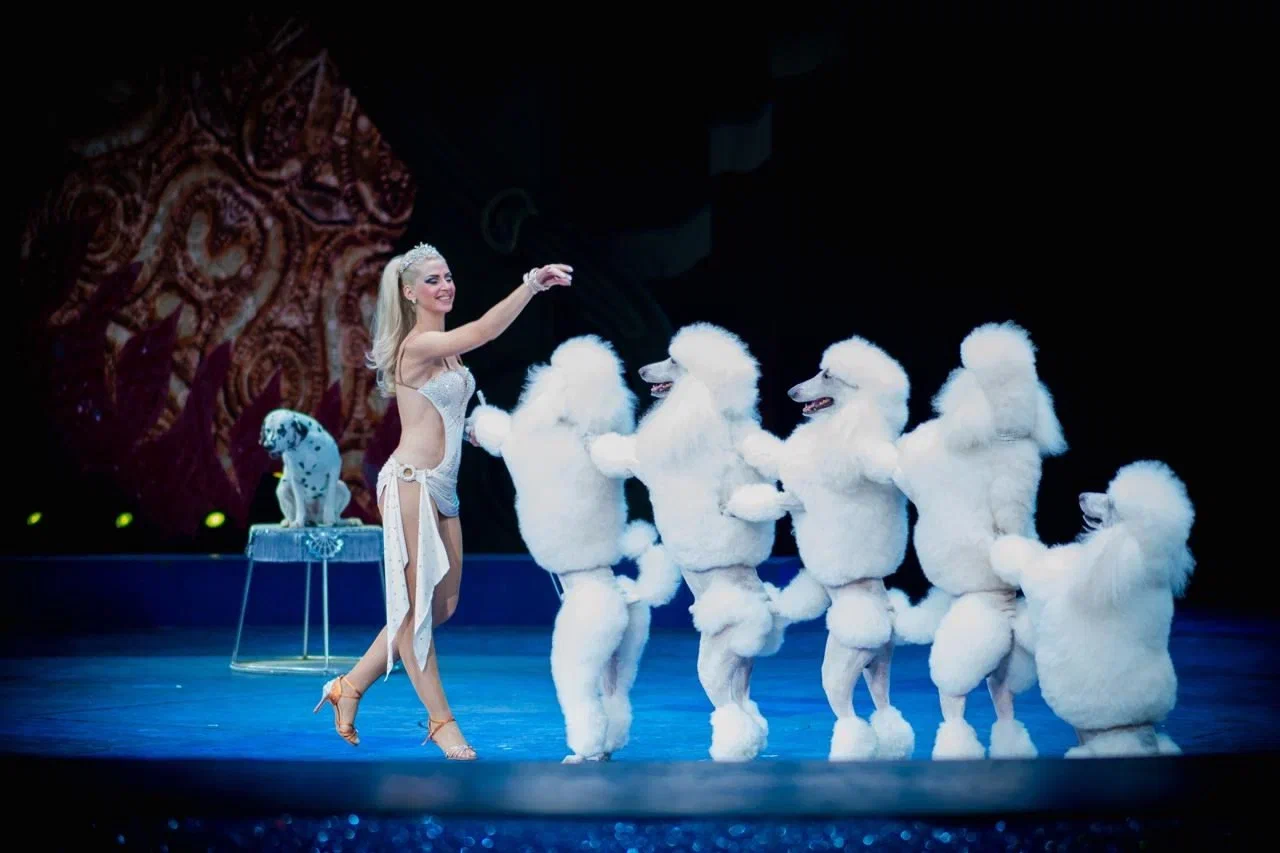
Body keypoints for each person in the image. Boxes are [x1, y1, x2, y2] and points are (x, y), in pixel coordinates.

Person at [312, 241, 572, 759]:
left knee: (443, 606)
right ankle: (441, 723)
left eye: (448, 276)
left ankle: (349, 686)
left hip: (443, 488)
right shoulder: (419, 345)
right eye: (432, 280)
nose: (445, 285)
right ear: (410, 293)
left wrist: (468, 430)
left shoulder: (444, 346)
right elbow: (485, 331)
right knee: (415, 615)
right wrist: (530, 285)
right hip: (411, 484)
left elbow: (440, 410)